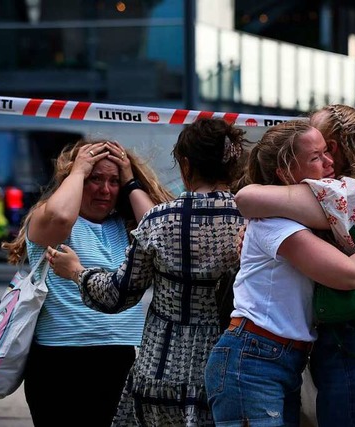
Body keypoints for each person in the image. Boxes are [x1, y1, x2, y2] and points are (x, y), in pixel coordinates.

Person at [204, 120, 355, 427]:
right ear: (285, 174)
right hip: (254, 357)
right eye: (316, 157)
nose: (329, 162)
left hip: (279, 357)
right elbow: (349, 274)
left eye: (327, 152)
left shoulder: (301, 217)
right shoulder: (275, 222)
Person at [46, 118, 249, 426]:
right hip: (230, 369)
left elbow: (116, 296)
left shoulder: (159, 220)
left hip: (160, 372)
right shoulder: (252, 220)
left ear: (185, 165)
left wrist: (77, 272)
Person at [1, 139, 174, 426]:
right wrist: (78, 171)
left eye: (113, 181)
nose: (104, 190)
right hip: (59, 362)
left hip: (119, 359)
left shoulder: (125, 225)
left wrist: (131, 181)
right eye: (95, 179)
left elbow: (163, 234)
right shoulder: (50, 216)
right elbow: (60, 215)